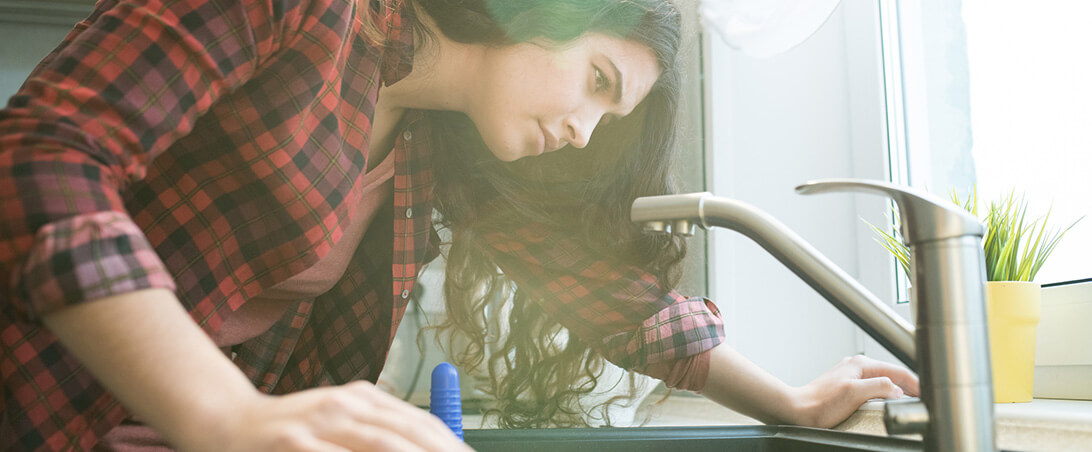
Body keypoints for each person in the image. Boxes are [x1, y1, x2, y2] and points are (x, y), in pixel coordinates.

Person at [0, 0, 920, 450]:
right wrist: (221, 412)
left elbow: (619, 303)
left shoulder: (439, 150)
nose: (582, 132)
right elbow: (42, 154)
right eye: (598, 82)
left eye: (611, 119)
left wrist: (791, 404)